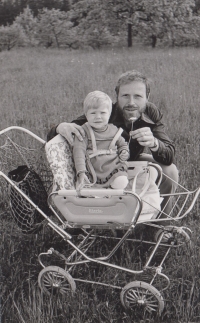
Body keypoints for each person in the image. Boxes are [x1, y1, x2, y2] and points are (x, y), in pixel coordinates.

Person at [47, 70, 178, 214]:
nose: (131, 102)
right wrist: (60, 127)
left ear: (147, 97)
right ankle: (115, 213)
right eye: (125, 96)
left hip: (132, 160)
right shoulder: (105, 112)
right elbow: (67, 132)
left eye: (138, 96)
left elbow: (169, 154)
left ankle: (160, 225)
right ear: (117, 96)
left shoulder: (150, 112)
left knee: (169, 170)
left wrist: (154, 143)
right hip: (102, 168)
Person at [73, 90, 130, 190]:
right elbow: (79, 153)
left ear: (109, 114)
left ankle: (113, 189)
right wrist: (81, 172)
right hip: (93, 170)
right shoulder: (84, 131)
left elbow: (123, 144)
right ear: (86, 115)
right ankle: (100, 194)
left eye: (102, 113)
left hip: (113, 169)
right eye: (93, 113)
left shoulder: (114, 130)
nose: (98, 117)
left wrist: (124, 151)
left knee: (121, 181)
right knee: (86, 187)